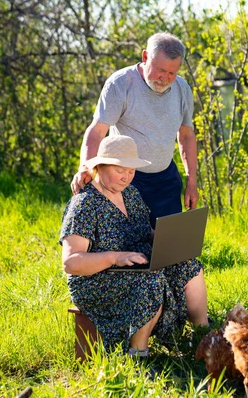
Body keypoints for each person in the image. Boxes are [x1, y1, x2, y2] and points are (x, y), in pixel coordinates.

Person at [60, 135, 208, 356]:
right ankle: (138, 355)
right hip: (97, 279)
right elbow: (71, 263)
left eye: (131, 172)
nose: (126, 178)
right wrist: (115, 257)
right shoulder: (84, 204)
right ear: (100, 166)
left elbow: (142, 230)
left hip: (133, 266)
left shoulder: (130, 193)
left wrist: (170, 240)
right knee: (151, 281)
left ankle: (202, 338)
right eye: (120, 171)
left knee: (188, 265)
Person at [70, 32, 198, 227]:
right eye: (160, 70)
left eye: (172, 73)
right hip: (126, 179)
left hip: (166, 179)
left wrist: (191, 181)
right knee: (128, 246)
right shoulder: (121, 83)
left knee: (167, 248)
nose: (164, 78)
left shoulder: (183, 89)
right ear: (145, 57)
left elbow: (187, 137)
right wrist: (85, 168)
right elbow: (96, 131)